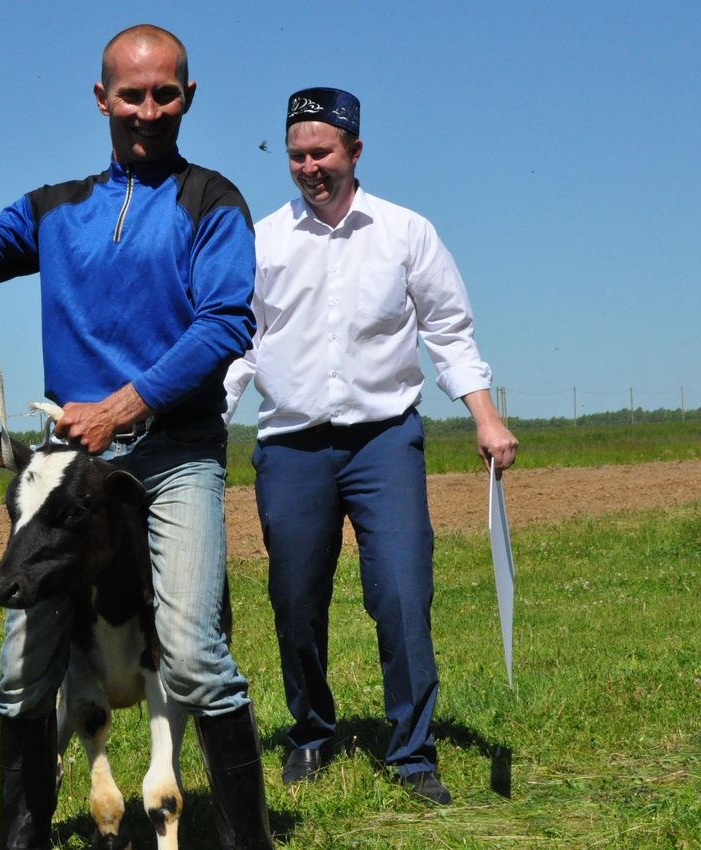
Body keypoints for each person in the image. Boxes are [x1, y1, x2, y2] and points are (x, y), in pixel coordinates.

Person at [0, 25, 275, 850]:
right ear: (102, 100)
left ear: (188, 98)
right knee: (22, 670)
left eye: (166, 93)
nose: (149, 110)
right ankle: (21, 838)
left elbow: (227, 322)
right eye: (132, 94)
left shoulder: (212, 203)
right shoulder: (56, 210)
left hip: (174, 456)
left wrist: (123, 406)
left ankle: (249, 843)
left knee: (195, 658)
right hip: (72, 472)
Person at [224, 87, 518, 806]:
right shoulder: (262, 241)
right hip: (291, 446)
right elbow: (238, 346)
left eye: (322, 152)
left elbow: (448, 330)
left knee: (401, 591)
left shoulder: (406, 232)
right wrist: (206, 420)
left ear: (355, 151)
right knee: (295, 599)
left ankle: (414, 754)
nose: (309, 166)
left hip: (385, 441)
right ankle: (312, 732)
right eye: (297, 155)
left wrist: (484, 416)